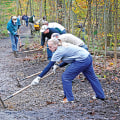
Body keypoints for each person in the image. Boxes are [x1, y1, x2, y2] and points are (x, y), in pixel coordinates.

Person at [31, 38, 105, 103]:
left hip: (82, 60)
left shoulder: (59, 51)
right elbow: (69, 59)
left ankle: (69, 99)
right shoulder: (62, 45)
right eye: (48, 47)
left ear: (55, 45)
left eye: (50, 47)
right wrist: (58, 65)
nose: (49, 48)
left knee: (66, 77)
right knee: (92, 77)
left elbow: (49, 66)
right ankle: (100, 95)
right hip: (87, 57)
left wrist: (38, 77)